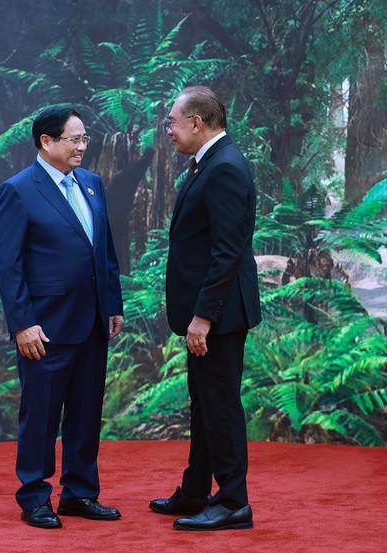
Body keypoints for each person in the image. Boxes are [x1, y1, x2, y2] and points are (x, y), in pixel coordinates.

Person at [0, 105, 125, 529]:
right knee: (41, 416)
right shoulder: (18, 190)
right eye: (74, 139)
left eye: (85, 139)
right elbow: (7, 264)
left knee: (86, 413)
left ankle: (80, 493)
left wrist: (113, 304)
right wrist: (22, 323)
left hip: (93, 323)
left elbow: (104, 251)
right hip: (44, 327)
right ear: (46, 141)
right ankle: (34, 497)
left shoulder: (92, 184)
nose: (82, 147)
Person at [149, 86, 261, 531]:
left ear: (197, 122)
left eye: (172, 122)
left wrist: (204, 317)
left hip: (219, 316)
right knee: (204, 404)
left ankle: (233, 502)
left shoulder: (225, 167)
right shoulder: (209, 162)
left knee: (221, 406)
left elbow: (227, 251)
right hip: (212, 313)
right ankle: (195, 491)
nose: (168, 130)